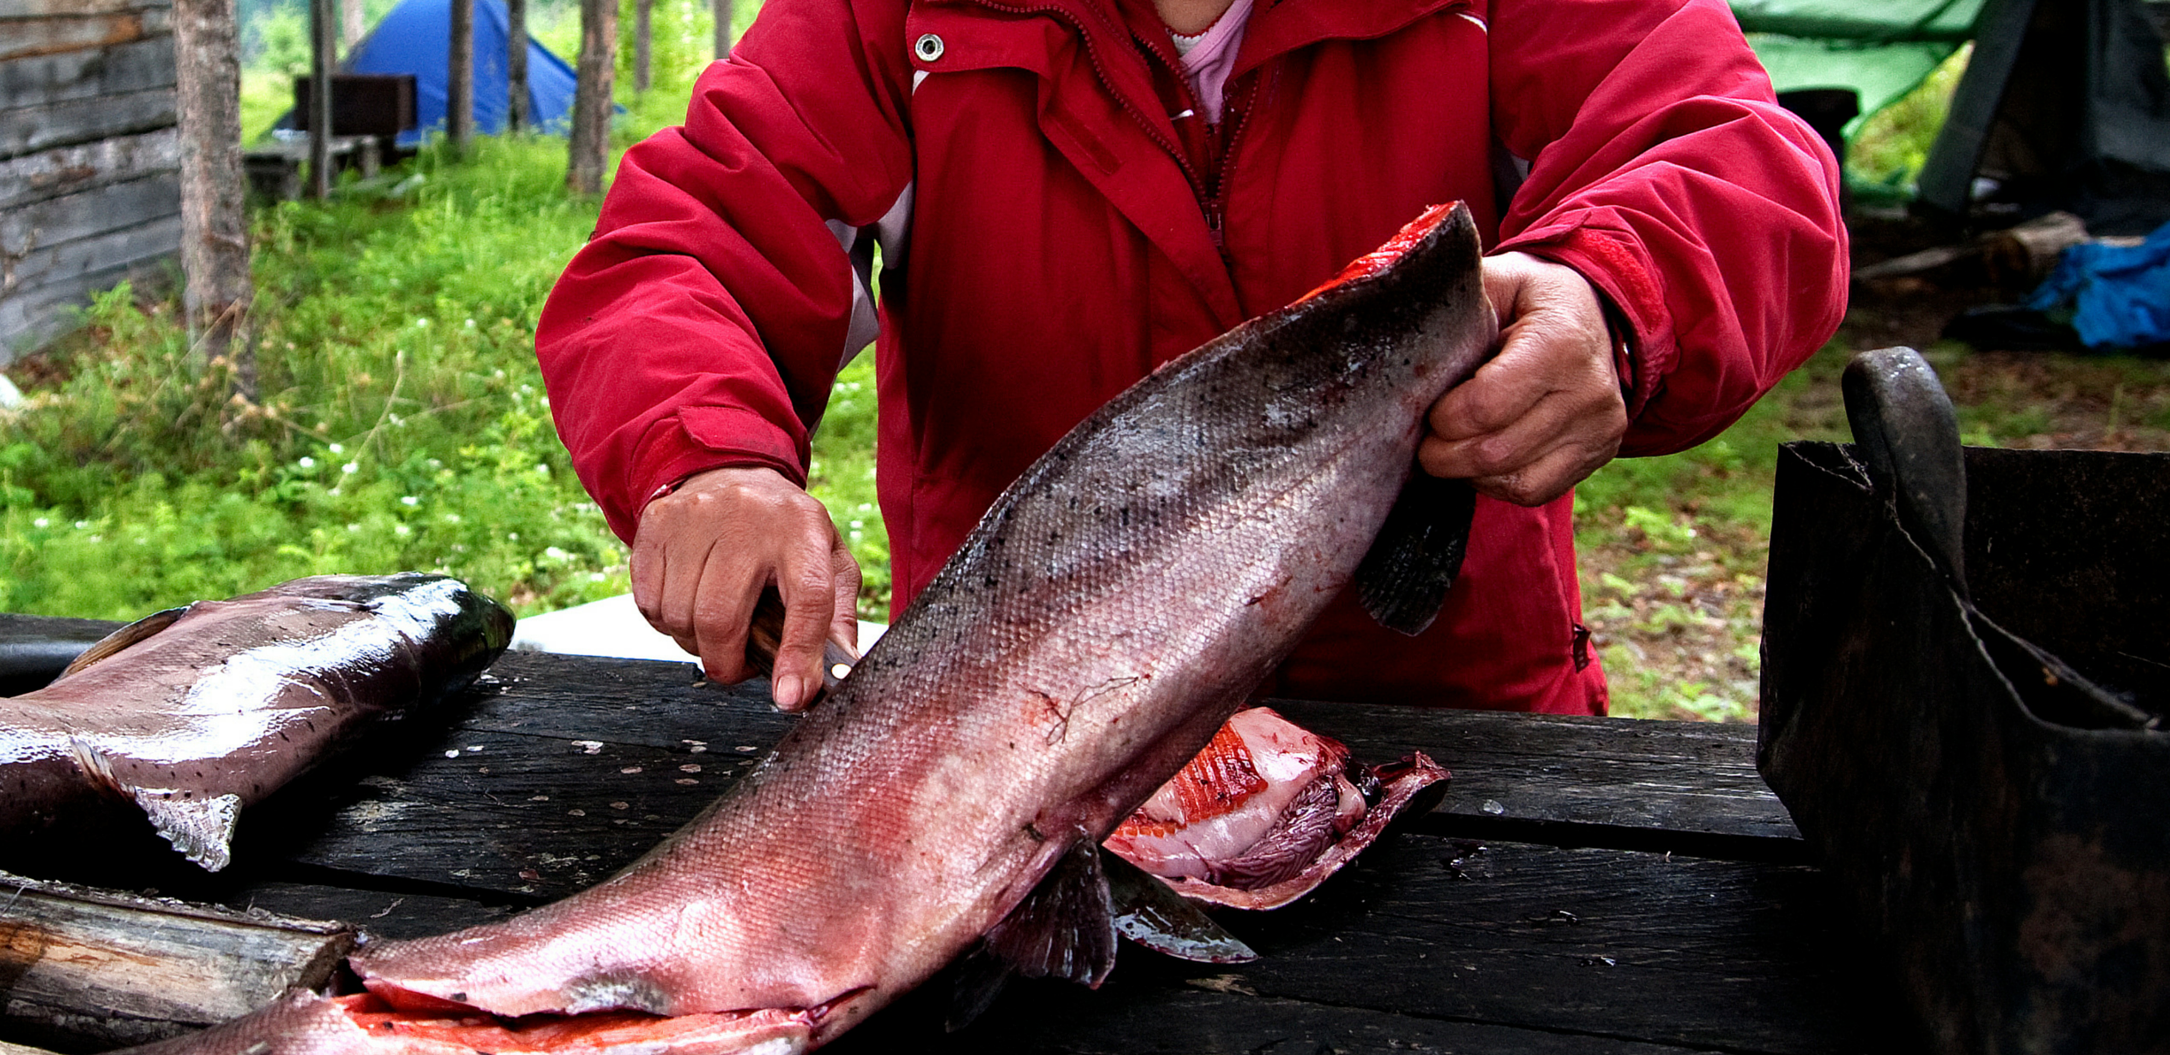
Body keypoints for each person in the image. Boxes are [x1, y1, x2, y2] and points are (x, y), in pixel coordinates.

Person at [538, 0, 1847, 714]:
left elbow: (1730, 155)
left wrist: (1611, 297)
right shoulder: (894, 19)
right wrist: (705, 456)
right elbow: (689, 246)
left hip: (1450, 731)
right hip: (1016, 737)